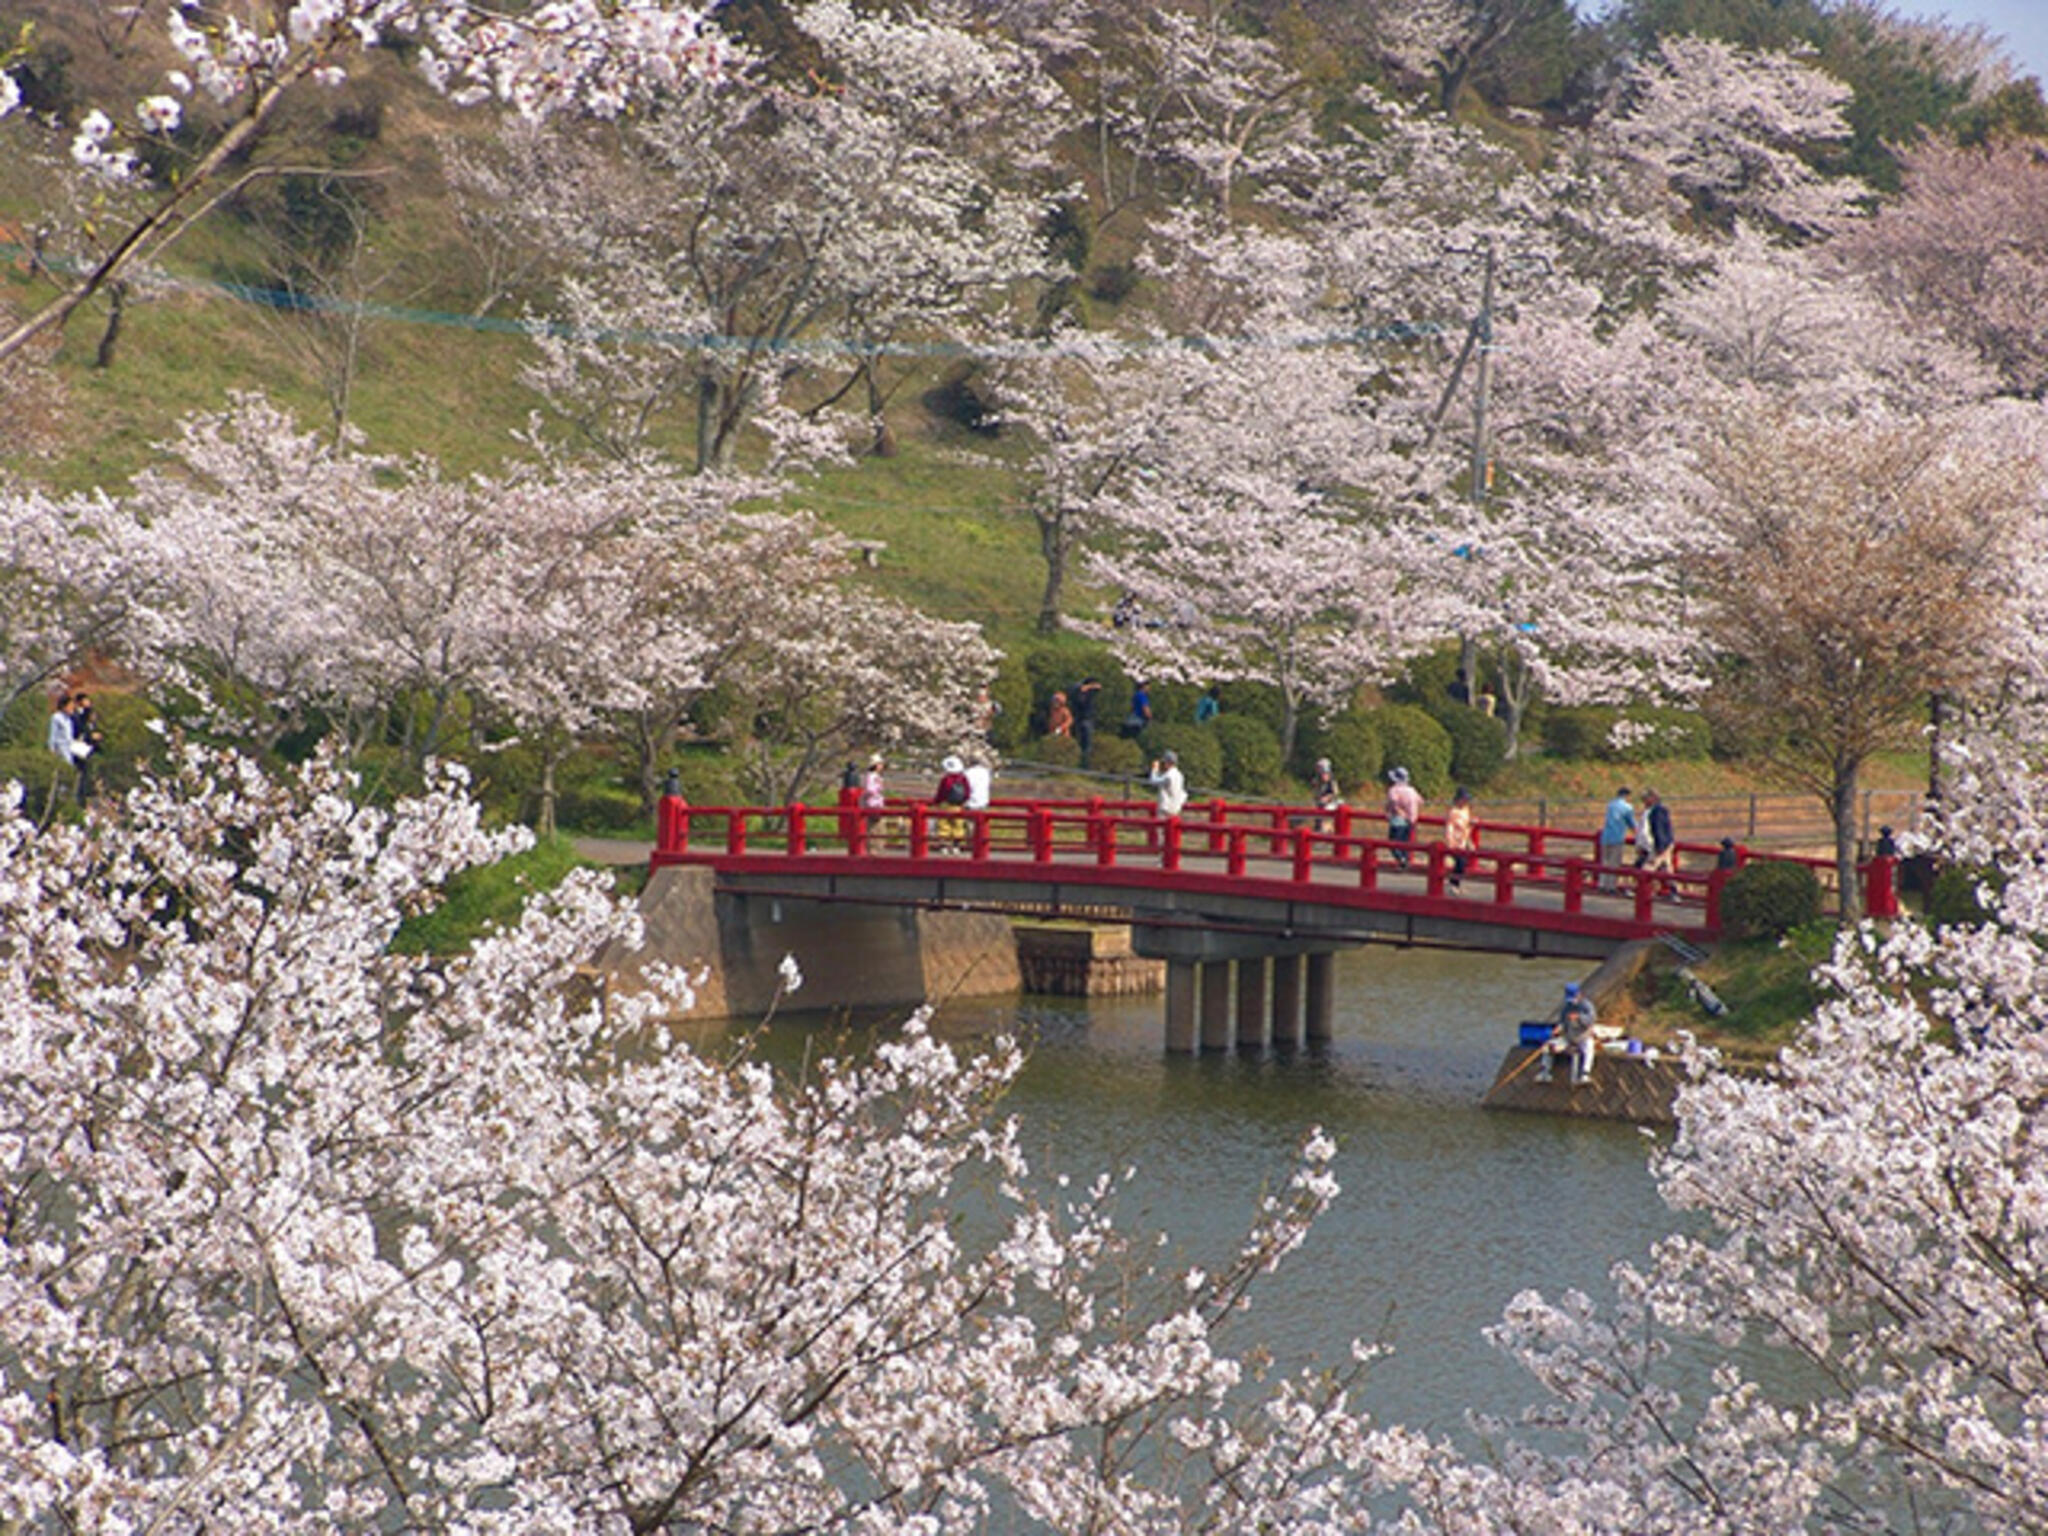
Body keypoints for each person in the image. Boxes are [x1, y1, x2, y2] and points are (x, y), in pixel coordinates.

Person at [1538, 982, 1598, 1085]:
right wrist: (1559, 1028)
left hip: (1582, 1037)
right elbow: (1562, 1021)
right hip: (1568, 1036)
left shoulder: (1587, 1006)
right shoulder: (1566, 1007)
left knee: (1589, 1048)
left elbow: (1591, 1021)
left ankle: (1585, 1074)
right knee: (1549, 1046)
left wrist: (1579, 1018)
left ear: (1579, 994)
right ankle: (1545, 1072)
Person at [1385, 766, 1423, 870]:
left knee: (1392, 842)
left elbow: (1393, 801)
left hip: (1397, 820)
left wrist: (1393, 810)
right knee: (1404, 843)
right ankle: (1404, 861)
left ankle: (1401, 859)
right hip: (1411, 820)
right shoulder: (1412, 790)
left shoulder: (1394, 790)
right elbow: (1420, 801)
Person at [69, 692, 103, 804]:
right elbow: (79, 731)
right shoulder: (75, 716)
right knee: (80, 776)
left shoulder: (87, 717)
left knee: (86, 775)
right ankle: (79, 799)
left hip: (88, 750)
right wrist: (90, 736)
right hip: (78, 750)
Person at [932, 754, 971, 852]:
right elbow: (967, 792)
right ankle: (956, 846)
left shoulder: (946, 779)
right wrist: (963, 801)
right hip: (958, 805)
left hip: (945, 804)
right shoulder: (963, 779)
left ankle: (944, 846)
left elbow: (941, 792)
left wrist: (936, 802)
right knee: (958, 825)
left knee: (944, 825)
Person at [1599, 786, 1635, 893]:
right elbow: (1631, 822)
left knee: (1605, 861)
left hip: (1605, 836)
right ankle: (1611, 886)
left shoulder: (1610, 805)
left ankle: (1602, 884)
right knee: (1614, 863)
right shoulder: (1627, 807)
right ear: (1627, 796)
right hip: (1617, 837)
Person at [1642, 789, 1676, 894]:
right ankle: (1673, 891)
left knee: (1648, 867)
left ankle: (1643, 890)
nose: (1644, 802)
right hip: (1666, 842)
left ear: (1652, 799)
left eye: (1645, 799)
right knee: (1667, 867)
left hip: (1662, 843)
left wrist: (1660, 847)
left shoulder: (1657, 811)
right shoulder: (1660, 810)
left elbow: (1659, 829)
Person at [1444, 785, 1476, 893]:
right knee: (1460, 862)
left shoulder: (1466, 810)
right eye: (1463, 799)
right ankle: (1454, 884)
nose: (1465, 801)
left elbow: (1466, 826)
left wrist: (1469, 840)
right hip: (1455, 840)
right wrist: (1450, 842)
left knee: (1463, 863)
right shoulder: (1453, 812)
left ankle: (1455, 883)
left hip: (1463, 840)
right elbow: (1450, 827)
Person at [1146, 748, 1187, 820]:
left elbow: (1153, 781)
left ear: (1168, 762)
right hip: (1175, 809)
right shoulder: (1179, 775)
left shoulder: (1169, 776)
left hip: (1166, 808)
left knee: (1161, 830)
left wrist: (1154, 769)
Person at [1073, 677, 1102, 766]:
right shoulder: (1079, 692)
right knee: (1085, 744)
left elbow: (1099, 687)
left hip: (1088, 719)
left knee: (1087, 744)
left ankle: (1085, 762)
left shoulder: (1089, 693)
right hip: (1083, 719)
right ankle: (1083, 764)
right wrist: (1088, 687)